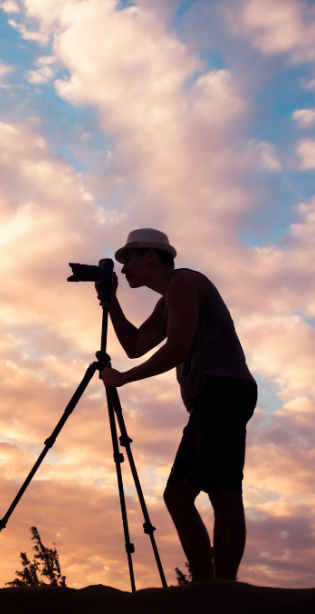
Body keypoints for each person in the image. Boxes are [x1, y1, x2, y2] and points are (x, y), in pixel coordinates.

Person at [97, 228, 257, 582]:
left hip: (225, 389)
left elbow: (178, 348)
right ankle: (203, 585)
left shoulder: (184, 282)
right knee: (178, 495)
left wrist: (124, 378)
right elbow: (136, 344)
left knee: (222, 487)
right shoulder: (165, 300)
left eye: (129, 259)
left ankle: (223, 589)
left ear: (151, 255)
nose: (123, 269)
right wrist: (112, 302)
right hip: (210, 397)